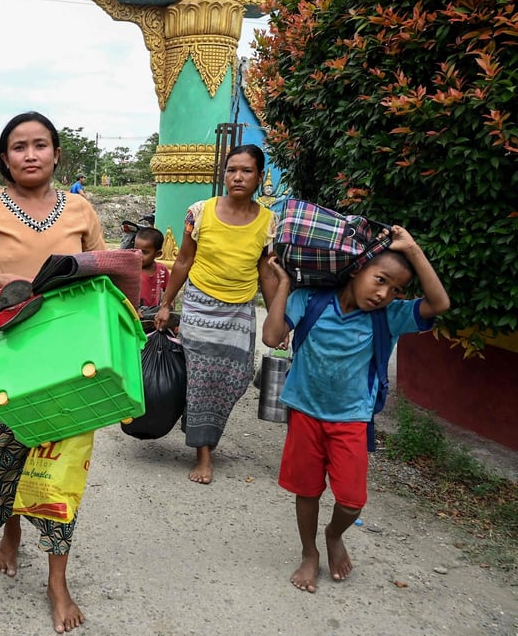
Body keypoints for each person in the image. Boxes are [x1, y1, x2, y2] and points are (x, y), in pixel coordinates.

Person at [0, 111, 106, 634]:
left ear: (56, 153)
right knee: (7, 456)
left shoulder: (82, 209)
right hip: (10, 352)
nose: (30, 154)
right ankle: (11, 533)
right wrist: (23, 281)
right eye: (18, 146)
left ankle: (57, 580)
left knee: (63, 466)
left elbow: (101, 275)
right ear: (4, 157)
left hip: (71, 358)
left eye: (40, 145)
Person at [262, 227, 449, 593]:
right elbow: (271, 338)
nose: (384, 294)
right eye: (380, 280)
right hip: (304, 411)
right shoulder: (311, 300)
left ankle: (334, 535)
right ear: (356, 270)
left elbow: (439, 304)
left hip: (351, 419)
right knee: (307, 491)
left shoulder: (389, 316)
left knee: (351, 500)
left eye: (395, 290)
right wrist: (283, 285)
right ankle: (309, 552)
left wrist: (413, 248)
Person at [152, 144, 280, 485]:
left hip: (240, 311)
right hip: (199, 306)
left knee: (236, 378)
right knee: (201, 379)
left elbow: (266, 272)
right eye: (231, 170)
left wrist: (276, 317)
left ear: (258, 177)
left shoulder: (268, 222)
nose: (237, 177)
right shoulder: (199, 212)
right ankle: (203, 452)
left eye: (246, 171)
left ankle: (201, 429)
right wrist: (167, 304)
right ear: (223, 174)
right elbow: (183, 261)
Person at [134, 226, 169, 309]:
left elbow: (169, 292)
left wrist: (166, 308)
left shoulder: (162, 270)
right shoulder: (131, 270)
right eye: (136, 250)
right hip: (133, 312)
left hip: (152, 313)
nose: (139, 255)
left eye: (145, 252)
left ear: (158, 254)